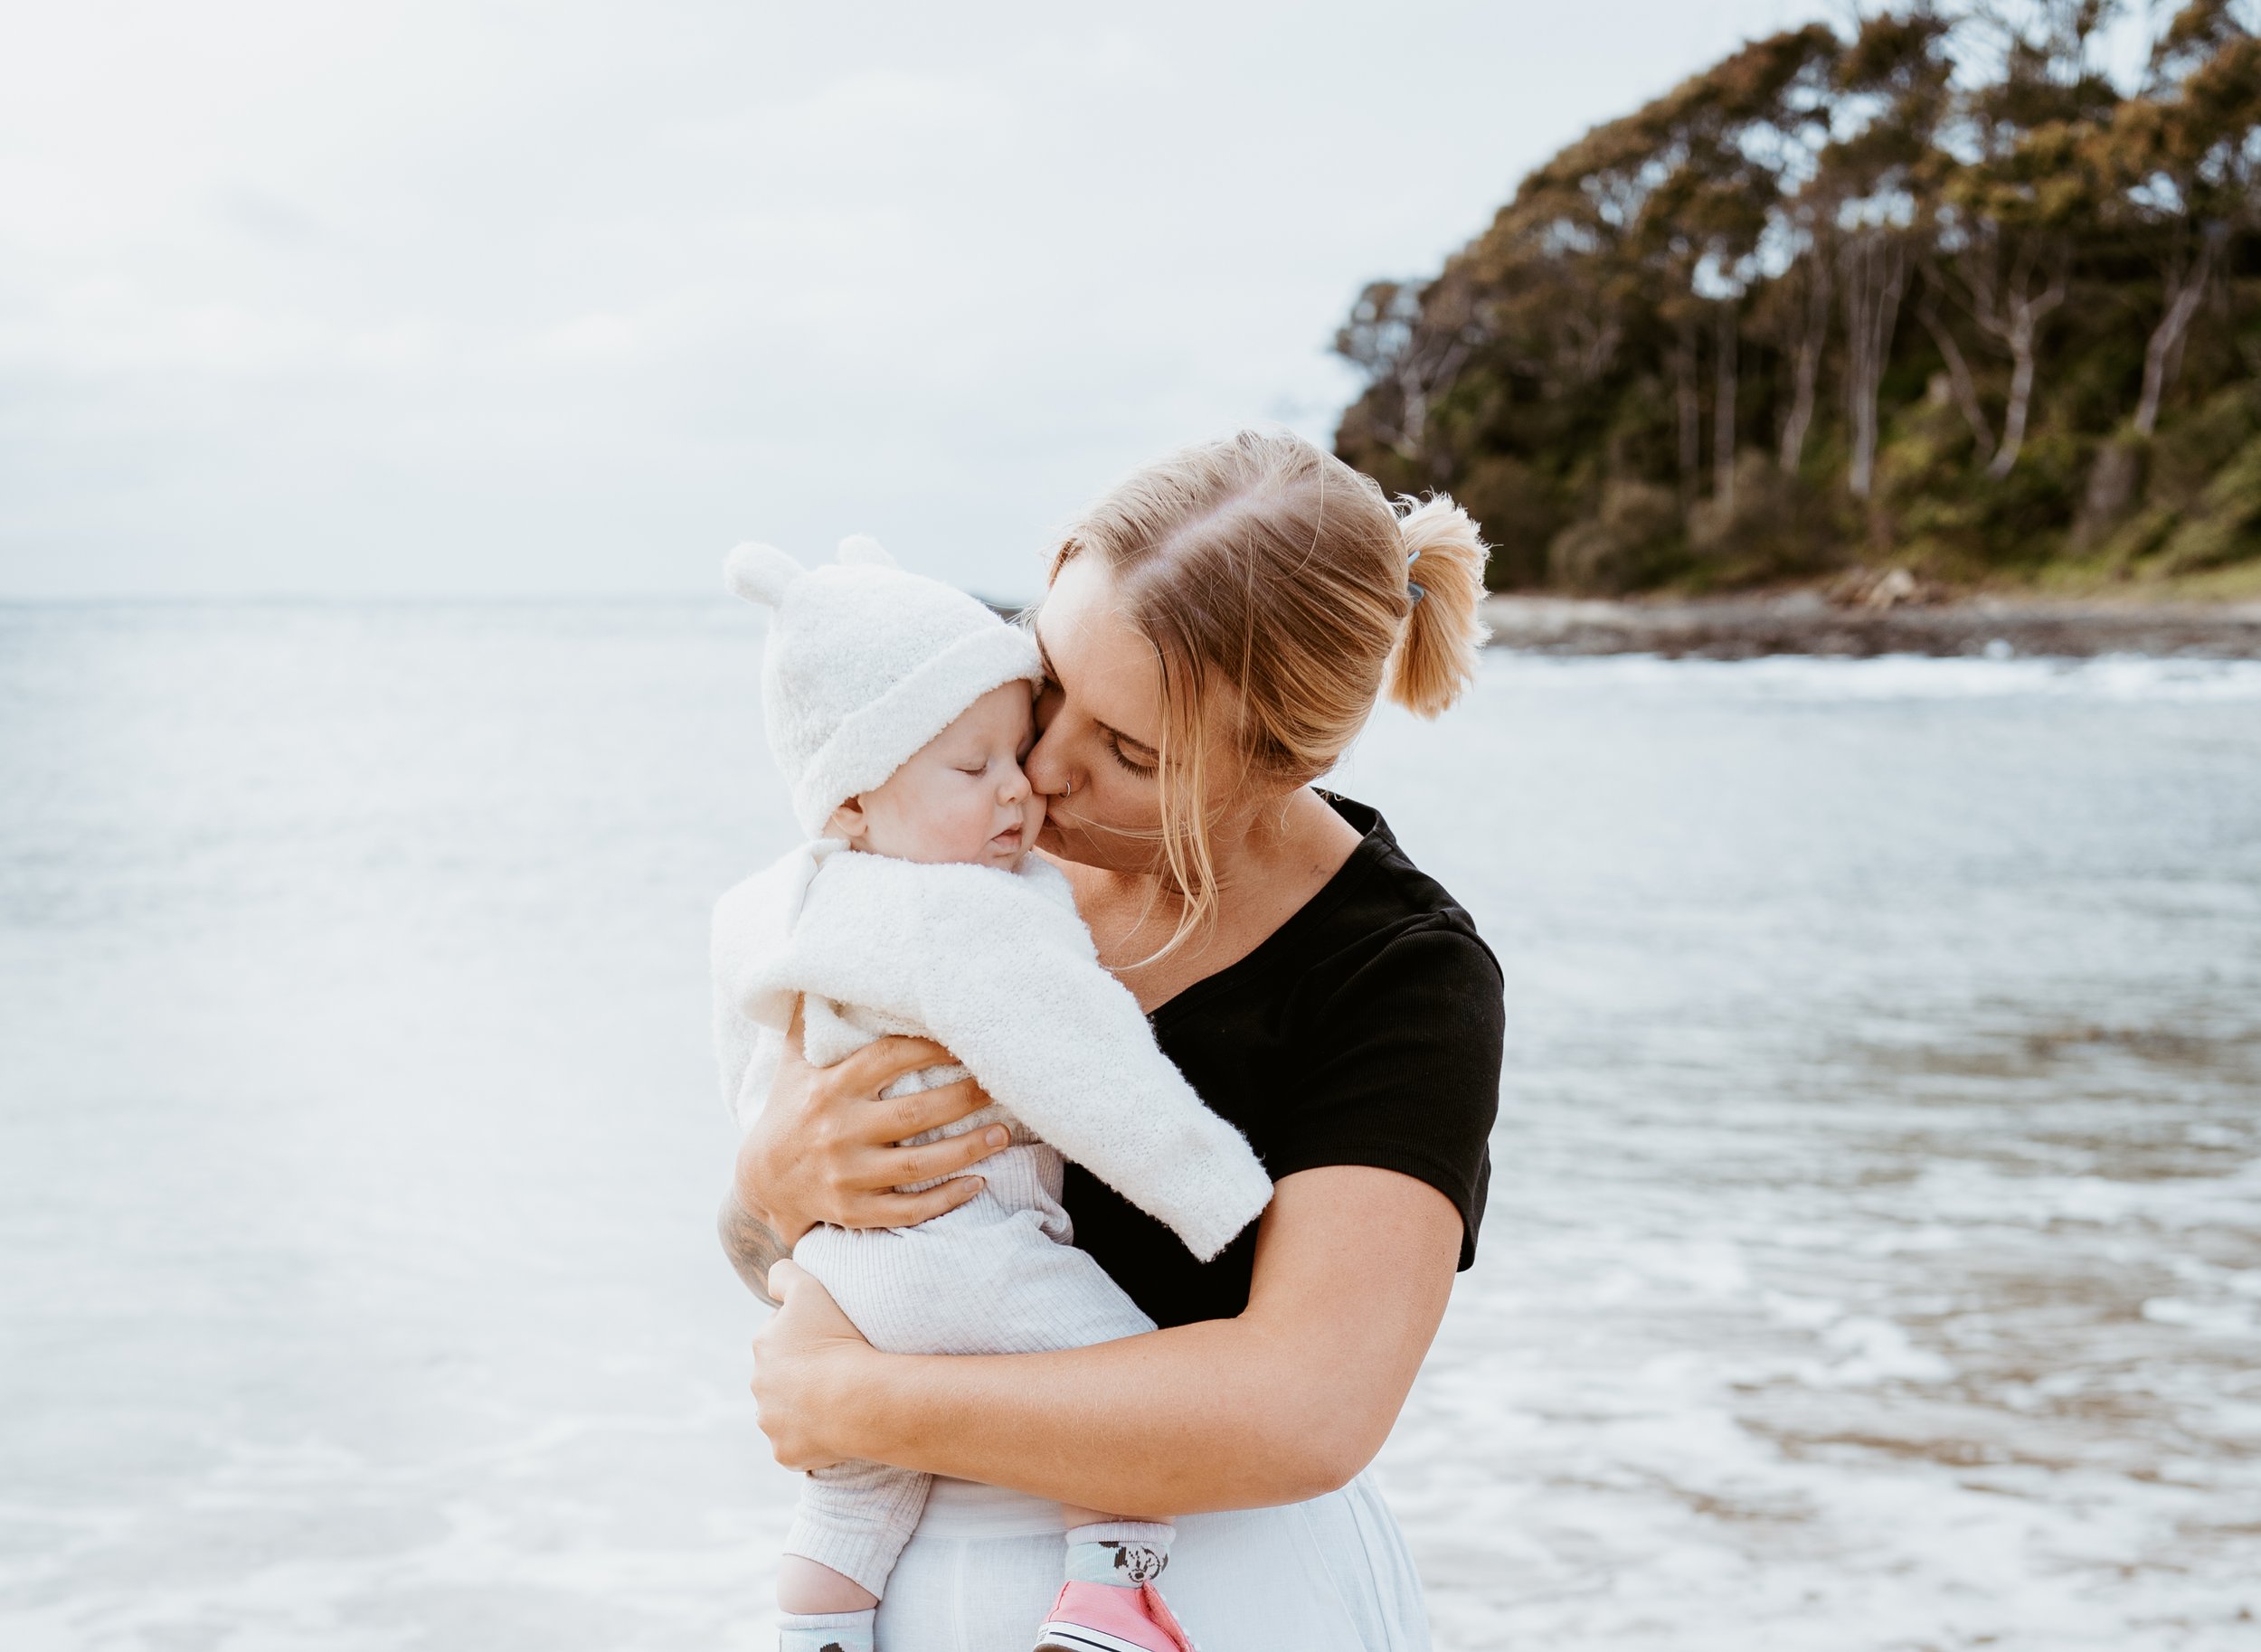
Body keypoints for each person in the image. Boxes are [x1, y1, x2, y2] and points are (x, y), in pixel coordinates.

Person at [719, 430, 1507, 1650]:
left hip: (1224, 1596)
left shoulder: (1399, 975)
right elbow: (807, 1255)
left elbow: (1308, 1410)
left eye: (1129, 752)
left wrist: (858, 1402)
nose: (1039, 769)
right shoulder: (954, 847)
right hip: (896, 1585)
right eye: (1044, 682)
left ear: (1285, 761)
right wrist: (769, 1184)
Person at [711, 535, 1273, 1652]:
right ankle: (1110, 1605)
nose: (1022, 787)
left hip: (840, 1276)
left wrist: (773, 1197)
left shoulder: (775, 904)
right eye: (972, 770)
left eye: (1016, 749)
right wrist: (1217, 1193)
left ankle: (814, 1633)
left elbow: (752, 1064)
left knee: (851, 1500)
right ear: (851, 801)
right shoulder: (970, 915)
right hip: (968, 1253)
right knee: (1129, 1413)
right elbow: (1089, 1069)